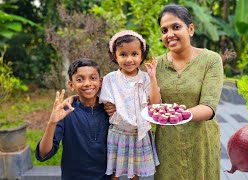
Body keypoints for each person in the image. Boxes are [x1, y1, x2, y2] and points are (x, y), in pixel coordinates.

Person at [154, 4, 224, 180]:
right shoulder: (156, 65)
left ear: (190, 29)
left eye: (176, 27)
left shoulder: (211, 60)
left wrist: (176, 115)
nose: (169, 34)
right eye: (164, 30)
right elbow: (151, 105)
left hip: (201, 141)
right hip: (168, 143)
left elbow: (209, 107)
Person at [99, 30, 160, 180]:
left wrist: (152, 77)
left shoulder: (146, 78)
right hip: (119, 133)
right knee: (115, 172)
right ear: (115, 56)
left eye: (134, 54)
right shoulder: (110, 79)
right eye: (123, 54)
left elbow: (154, 103)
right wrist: (108, 106)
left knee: (135, 173)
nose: (129, 59)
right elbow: (108, 105)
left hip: (140, 133)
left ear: (142, 55)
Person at [35, 58, 111, 180]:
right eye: (80, 79)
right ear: (71, 85)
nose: (87, 83)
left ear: (100, 81)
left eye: (93, 78)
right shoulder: (66, 112)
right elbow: (43, 153)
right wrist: (52, 123)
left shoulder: (110, 109)